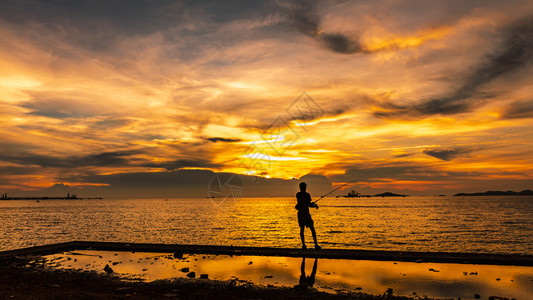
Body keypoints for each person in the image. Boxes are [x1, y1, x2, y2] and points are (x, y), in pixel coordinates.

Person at [296, 182, 321, 249]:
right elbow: (308, 204)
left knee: (302, 229)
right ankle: (315, 245)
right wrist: (314, 205)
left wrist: (312, 204)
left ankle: (304, 245)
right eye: (305, 187)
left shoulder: (298, 194)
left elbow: (304, 204)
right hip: (306, 214)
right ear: (303, 187)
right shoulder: (307, 195)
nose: (306, 188)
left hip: (301, 214)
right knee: (312, 229)